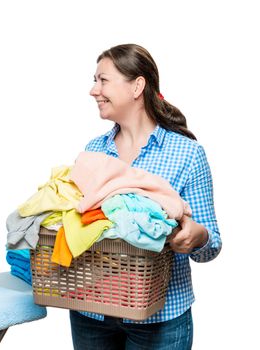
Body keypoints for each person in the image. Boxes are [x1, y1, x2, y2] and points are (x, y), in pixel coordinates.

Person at [69, 44, 222, 349]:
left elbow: (212, 245)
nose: (93, 90)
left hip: (161, 319)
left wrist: (197, 235)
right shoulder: (94, 151)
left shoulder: (186, 154)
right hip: (92, 313)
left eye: (103, 80)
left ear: (137, 86)